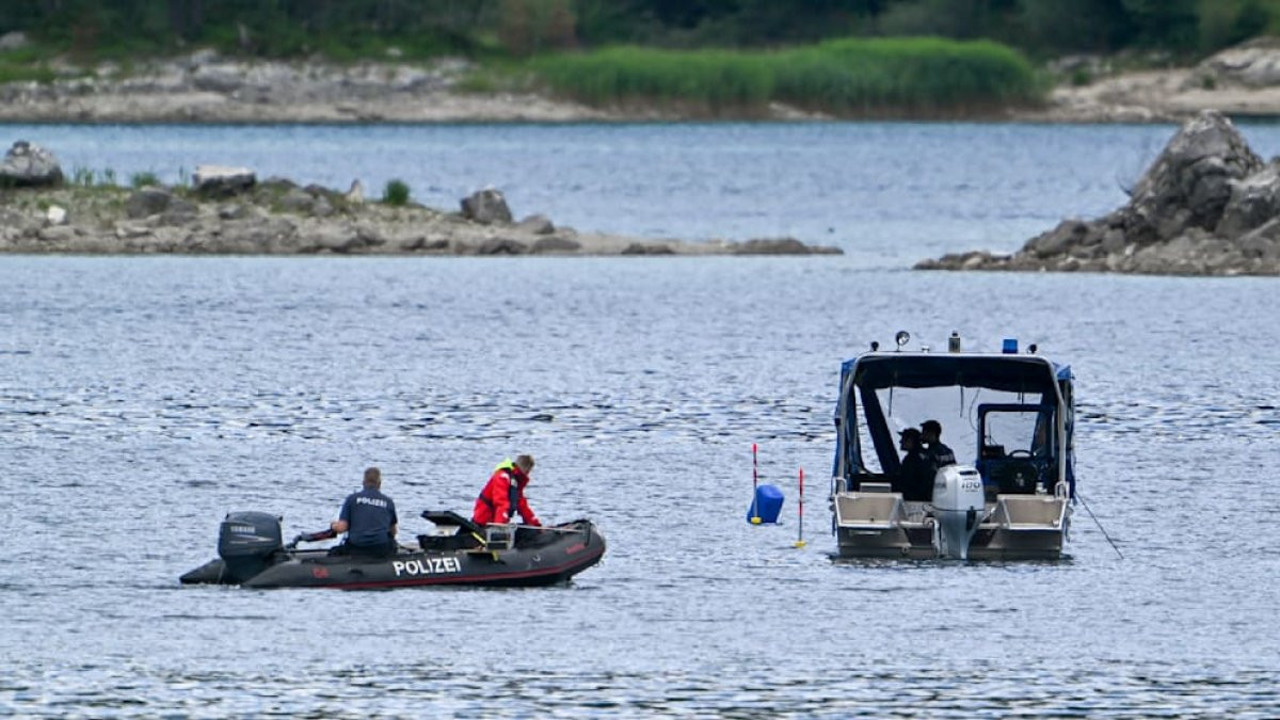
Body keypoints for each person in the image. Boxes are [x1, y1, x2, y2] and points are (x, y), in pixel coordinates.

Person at [331, 466, 398, 558]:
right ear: (379, 484)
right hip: (381, 548)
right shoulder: (388, 502)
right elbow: (393, 531)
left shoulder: (352, 499)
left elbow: (342, 528)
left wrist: (333, 525)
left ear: (363, 482)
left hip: (356, 547)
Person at [472, 454, 541, 527]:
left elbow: (522, 504)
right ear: (525, 469)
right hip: (484, 520)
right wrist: (499, 526)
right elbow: (501, 502)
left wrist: (535, 523)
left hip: (496, 520)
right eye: (528, 471)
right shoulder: (503, 477)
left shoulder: (515, 482)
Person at [897, 428, 934, 502]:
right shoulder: (927, 454)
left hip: (915, 500)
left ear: (910, 441)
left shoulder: (911, 459)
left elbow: (907, 481)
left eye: (904, 439)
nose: (900, 441)